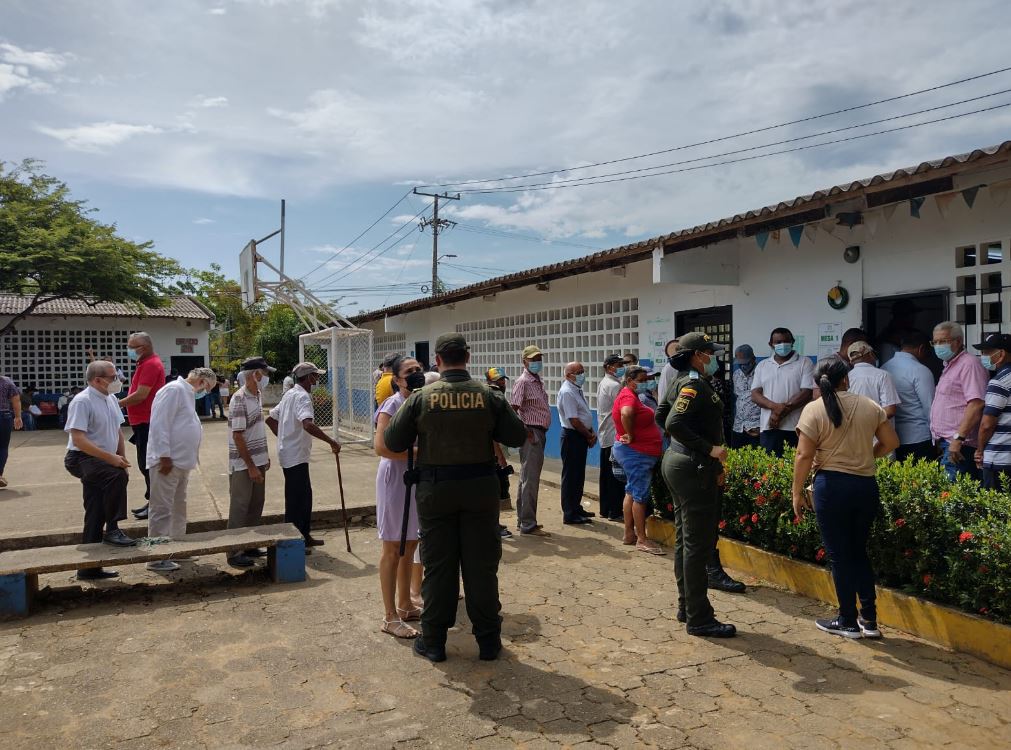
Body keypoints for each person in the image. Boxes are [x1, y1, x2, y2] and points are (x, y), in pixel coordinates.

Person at [384, 332, 527, 663]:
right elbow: (517, 436)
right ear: (468, 356)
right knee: (481, 567)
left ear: (437, 361)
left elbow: (393, 441)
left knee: (438, 567)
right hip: (480, 490)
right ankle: (489, 641)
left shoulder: (421, 397)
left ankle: (433, 642)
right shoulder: (488, 395)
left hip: (436, 493)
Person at [793, 358, 899, 639]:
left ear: (818, 383)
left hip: (831, 486)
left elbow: (804, 455)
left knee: (839, 556)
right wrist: (865, 457)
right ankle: (870, 620)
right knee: (858, 551)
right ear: (846, 379)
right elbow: (891, 443)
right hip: (865, 485)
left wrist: (796, 492)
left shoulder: (813, 410)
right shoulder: (869, 406)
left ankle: (847, 621)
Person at [656, 332, 736, 638]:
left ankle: (686, 605)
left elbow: (663, 415)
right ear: (696, 355)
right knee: (697, 545)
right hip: (693, 468)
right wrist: (707, 449)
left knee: (684, 540)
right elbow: (673, 422)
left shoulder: (682, 380)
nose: (712, 358)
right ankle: (699, 617)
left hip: (680, 462)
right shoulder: (691, 384)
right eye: (708, 353)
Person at [64, 361, 136, 580]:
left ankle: (89, 569)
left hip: (103, 459)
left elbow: (118, 432)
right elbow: (79, 439)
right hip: (81, 458)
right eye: (113, 377)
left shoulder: (111, 399)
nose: (118, 381)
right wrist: (111, 460)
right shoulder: (82, 401)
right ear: (97, 380)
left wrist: (121, 457)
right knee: (116, 476)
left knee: (95, 510)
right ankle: (113, 528)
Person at [144, 367, 218, 572]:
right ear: (202, 381)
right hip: (167, 462)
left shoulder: (186, 394)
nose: (207, 392)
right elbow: (159, 424)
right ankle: (157, 556)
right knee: (161, 509)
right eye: (208, 387)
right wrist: (164, 455)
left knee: (178, 507)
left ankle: (177, 548)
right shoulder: (173, 390)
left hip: (182, 463)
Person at [374, 356, 427, 639]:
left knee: (410, 543)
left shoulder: (420, 402)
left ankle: (405, 604)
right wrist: (422, 453)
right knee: (393, 547)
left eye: (419, 369)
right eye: (410, 371)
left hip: (414, 479)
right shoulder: (392, 405)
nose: (416, 374)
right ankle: (389, 616)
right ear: (397, 379)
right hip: (396, 479)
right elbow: (381, 447)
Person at [266, 362, 342, 549]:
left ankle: (304, 536)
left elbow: (270, 419)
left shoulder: (290, 394)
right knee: (298, 500)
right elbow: (307, 424)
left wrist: (284, 437)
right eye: (315, 376)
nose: (317, 379)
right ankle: (295, 542)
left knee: (302, 497)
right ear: (308, 377)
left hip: (290, 453)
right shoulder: (302, 397)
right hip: (295, 456)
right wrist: (331, 441)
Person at [225, 356, 275, 568]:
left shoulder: (257, 395)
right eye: (264, 373)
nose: (267, 377)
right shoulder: (239, 399)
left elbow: (256, 429)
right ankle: (234, 552)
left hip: (258, 461)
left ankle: (250, 543)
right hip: (244, 464)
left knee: (256, 505)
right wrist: (252, 466)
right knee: (240, 507)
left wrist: (263, 458)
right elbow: (238, 436)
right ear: (255, 374)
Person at [613, 366, 664, 554]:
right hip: (637, 453)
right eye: (642, 380)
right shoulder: (627, 396)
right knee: (640, 497)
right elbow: (626, 413)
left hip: (635, 452)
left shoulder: (630, 395)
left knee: (631, 492)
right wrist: (630, 435)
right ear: (630, 381)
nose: (646, 382)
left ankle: (629, 534)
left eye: (647, 379)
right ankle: (642, 539)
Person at [929, 321, 988, 482]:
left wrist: (958, 438)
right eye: (935, 342)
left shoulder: (969, 364)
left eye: (943, 341)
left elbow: (976, 404)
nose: (938, 346)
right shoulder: (950, 365)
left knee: (954, 499)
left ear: (958, 341)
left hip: (960, 444)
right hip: (947, 443)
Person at [118, 332, 165, 521]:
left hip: (147, 421)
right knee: (144, 465)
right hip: (140, 422)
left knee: (148, 466)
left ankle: (156, 504)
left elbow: (141, 394)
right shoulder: (143, 364)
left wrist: (116, 404)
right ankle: (152, 502)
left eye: (132, 347)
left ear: (143, 348)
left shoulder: (151, 364)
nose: (129, 350)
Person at [751, 327, 815, 456]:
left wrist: (779, 414)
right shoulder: (763, 365)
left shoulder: (805, 362)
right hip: (769, 427)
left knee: (794, 468)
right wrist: (775, 408)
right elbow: (755, 394)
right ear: (771, 344)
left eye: (786, 341)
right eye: (778, 342)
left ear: (792, 342)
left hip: (796, 428)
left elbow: (807, 392)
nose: (782, 345)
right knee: (769, 469)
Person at [509, 345, 552, 536]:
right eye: (533, 359)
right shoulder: (523, 382)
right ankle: (528, 524)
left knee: (526, 478)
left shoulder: (536, 381)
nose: (537, 362)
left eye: (539, 359)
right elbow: (513, 409)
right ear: (524, 361)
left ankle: (523, 520)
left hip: (539, 432)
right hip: (532, 434)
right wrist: (525, 430)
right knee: (530, 479)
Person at [882, 330, 936, 462]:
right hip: (919, 438)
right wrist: (937, 439)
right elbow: (931, 409)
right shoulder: (920, 370)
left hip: (892, 438)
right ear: (921, 349)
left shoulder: (884, 368)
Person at [556, 361, 596, 525]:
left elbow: (583, 414)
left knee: (579, 474)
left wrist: (590, 431)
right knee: (571, 476)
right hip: (573, 436)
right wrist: (588, 435)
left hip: (580, 435)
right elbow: (573, 419)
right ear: (568, 375)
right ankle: (569, 513)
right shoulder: (567, 392)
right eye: (577, 372)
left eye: (582, 371)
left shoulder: (576, 389)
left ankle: (576, 507)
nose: (581, 375)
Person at [972, 333, 1011, 490]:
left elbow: (987, 424)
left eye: (987, 352)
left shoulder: (999, 381)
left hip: (1000, 460)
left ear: (1001, 354)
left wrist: (980, 450)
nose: (983, 357)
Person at [596, 355, 626, 521]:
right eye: (618, 364)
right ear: (608, 367)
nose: (621, 367)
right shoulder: (614, 385)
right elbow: (623, 410)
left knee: (607, 475)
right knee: (615, 476)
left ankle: (606, 509)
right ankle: (614, 511)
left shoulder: (605, 382)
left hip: (606, 435)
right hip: (613, 434)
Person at [486, 368, 515, 539]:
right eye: (498, 381)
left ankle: (494, 524)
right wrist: (501, 458)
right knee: (495, 492)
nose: (502, 384)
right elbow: (492, 436)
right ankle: (493, 526)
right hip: (493, 456)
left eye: (503, 380)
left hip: (497, 453)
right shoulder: (491, 400)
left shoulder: (498, 399)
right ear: (489, 382)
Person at [845, 341, 900, 417]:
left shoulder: (846, 378)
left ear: (851, 361)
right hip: (878, 428)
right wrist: (870, 421)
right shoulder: (883, 375)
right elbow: (889, 410)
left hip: (855, 428)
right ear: (871, 354)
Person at [730, 345, 761, 448]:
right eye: (740, 364)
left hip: (756, 427)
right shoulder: (736, 375)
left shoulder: (761, 374)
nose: (743, 366)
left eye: (746, 363)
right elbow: (737, 398)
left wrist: (763, 426)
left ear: (753, 359)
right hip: (738, 427)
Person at [0, 375, 23, 489]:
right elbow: (16, 399)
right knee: (3, 447)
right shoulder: (7, 381)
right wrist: (18, 417)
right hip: (3, 416)